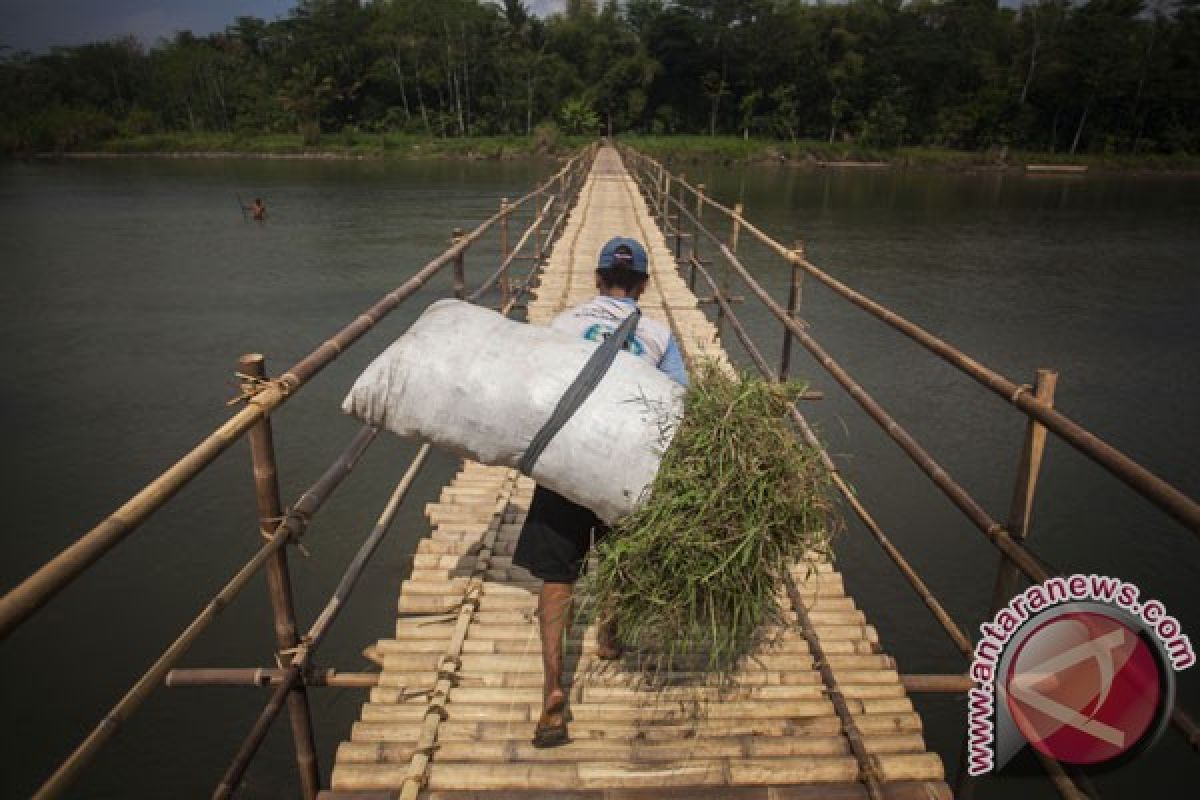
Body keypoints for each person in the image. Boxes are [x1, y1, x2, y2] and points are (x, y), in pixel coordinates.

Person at [511, 236, 688, 748]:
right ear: (645, 286)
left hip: (566, 465)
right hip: (624, 468)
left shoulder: (564, 323)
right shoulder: (658, 334)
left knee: (556, 577)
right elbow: (677, 401)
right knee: (621, 556)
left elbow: (534, 383)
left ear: (596, 278)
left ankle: (551, 691)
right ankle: (609, 634)